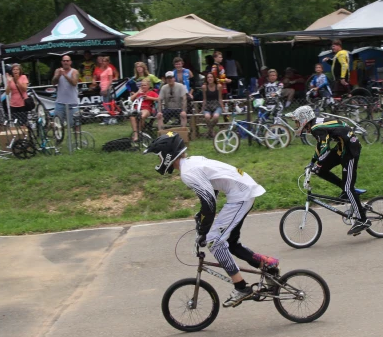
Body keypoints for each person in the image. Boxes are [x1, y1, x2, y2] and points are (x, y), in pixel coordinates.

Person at [144, 133, 279, 307]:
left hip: (241, 194)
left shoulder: (188, 172)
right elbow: (211, 193)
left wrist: (203, 231)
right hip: (242, 190)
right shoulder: (191, 162)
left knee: (214, 241)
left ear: (167, 154)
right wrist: (202, 219)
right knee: (230, 242)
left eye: (158, 155)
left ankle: (241, 287)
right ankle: (268, 264)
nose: (158, 159)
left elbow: (209, 203)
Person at [286, 105, 370, 236]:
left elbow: (324, 148)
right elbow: (321, 146)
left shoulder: (315, 128)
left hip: (350, 150)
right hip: (342, 147)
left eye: (297, 121)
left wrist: (318, 164)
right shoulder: (315, 125)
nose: (296, 124)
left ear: (304, 119)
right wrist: (313, 163)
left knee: (348, 187)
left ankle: (362, 220)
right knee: (320, 170)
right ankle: (346, 190)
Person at [52, 54, 80, 130]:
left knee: (75, 124)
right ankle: (58, 139)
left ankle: (77, 140)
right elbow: (53, 82)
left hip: (72, 103)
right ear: (61, 62)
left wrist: (65, 75)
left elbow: (74, 83)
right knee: (57, 124)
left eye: (67, 61)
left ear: (70, 62)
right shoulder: (58, 71)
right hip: (60, 102)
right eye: (64, 61)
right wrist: (58, 75)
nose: (65, 62)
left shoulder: (74, 71)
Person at [92, 55, 115, 124]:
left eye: (105, 61)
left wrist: (106, 89)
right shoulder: (104, 70)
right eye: (103, 61)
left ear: (108, 62)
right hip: (103, 88)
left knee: (107, 104)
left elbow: (110, 80)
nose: (103, 62)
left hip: (106, 88)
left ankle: (107, 119)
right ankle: (107, 119)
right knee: (105, 104)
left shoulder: (109, 69)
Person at [201, 72, 223, 138]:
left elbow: (220, 98)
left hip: (216, 105)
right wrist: (202, 108)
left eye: (211, 77)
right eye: (208, 77)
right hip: (208, 105)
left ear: (214, 78)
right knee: (207, 116)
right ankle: (212, 131)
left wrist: (223, 107)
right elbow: (204, 99)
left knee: (216, 116)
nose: (209, 78)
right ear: (206, 79)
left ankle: (209, 131)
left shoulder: (219, 86)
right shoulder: (204, 87)